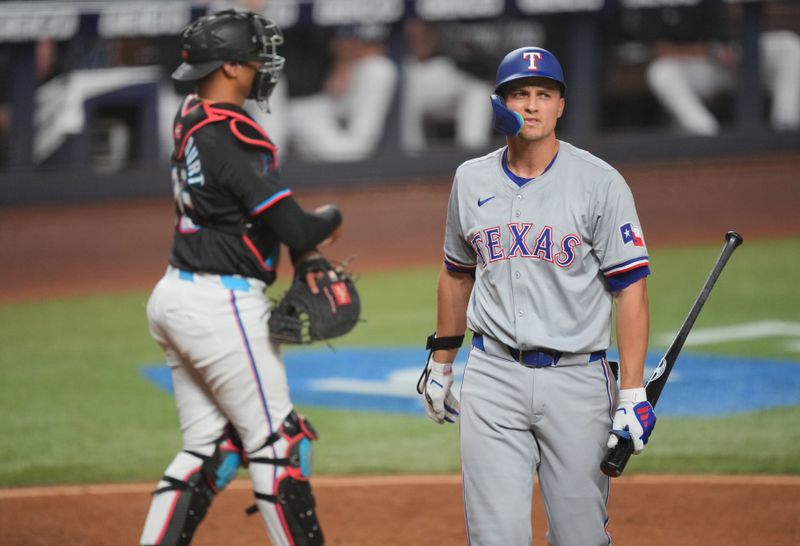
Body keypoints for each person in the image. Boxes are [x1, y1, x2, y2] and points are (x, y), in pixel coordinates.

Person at [417, 47, 656, 545]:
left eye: (543, 95)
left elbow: (629, 286)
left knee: (580, 538)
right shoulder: (471, 179)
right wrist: (441, 364)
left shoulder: (600, 182)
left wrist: (632, 392)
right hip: (493, 376)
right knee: (495, 537)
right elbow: (456, 273)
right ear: (499, 103)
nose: (531, 106)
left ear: (561, 106)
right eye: (519, 94)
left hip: (579, 380)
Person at [139, 10, 340, 546]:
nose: (262, 68)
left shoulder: (190, 115)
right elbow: (293, 221)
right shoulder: (234, 133)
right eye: (254, 59)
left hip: (176, 294)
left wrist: (306, 256)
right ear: (229, 67)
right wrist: (330, 221)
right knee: (282, 446)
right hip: (220, 306)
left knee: (210, 447)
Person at [640, 2, 800, 135]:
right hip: (705, 63)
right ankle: (704, 133)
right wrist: (711, 51)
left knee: (789, 45)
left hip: (750, 53)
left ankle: (786, 125)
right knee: (662, 71)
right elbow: (659, 49)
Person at [287, 23, 398, 162]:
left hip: (342, 88)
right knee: (338, 154)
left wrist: (345, 62)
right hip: (304, 100)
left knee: (379, 69)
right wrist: (339, 61)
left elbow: (381, 39)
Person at [399, 17, 494, 152]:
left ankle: (471, 156)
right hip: (413, 69)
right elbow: (419, 45)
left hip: (448, 69)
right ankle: (412, 158)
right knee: (406, 90)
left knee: (479, 90)